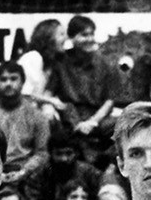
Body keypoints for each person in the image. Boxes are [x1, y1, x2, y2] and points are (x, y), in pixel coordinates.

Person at [48, 15, 124, 162]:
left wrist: (93, 121)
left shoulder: (105, 63)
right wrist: (49, 106)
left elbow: (110, 101)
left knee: (126, 123)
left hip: (98, 118)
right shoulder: (61, 62)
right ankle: (89, 158)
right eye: (84, 35)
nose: (89, 39)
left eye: (91, 34)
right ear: (72, 37)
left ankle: (102, 159)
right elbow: (50, 91)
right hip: (69, 117)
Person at [0, 61, 50, 186]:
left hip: (27, 175)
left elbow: (42, 153)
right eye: (3, 79)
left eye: (13, 79)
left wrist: (24, 172)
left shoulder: (37, 116)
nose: (8, 84)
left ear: (22, 82)